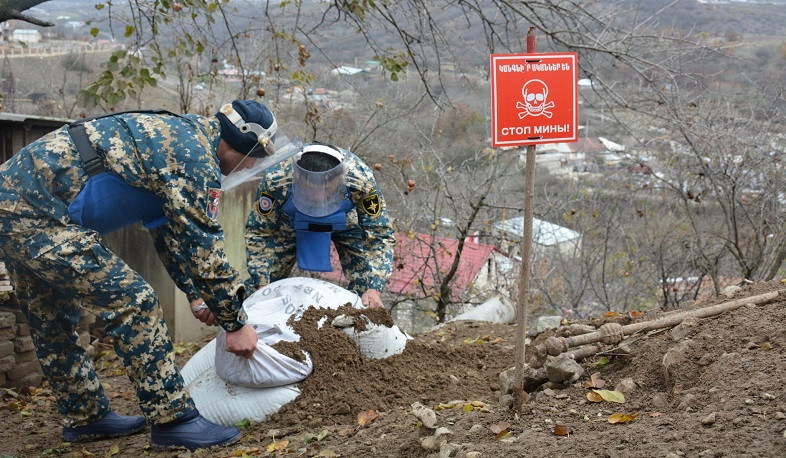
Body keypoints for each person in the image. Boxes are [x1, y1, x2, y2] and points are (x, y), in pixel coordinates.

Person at [0, 100, 288, 450]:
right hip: (36, 214)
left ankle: (86, 416)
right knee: (135, 301)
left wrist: (195, 295)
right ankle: (173, 420)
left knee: (52, 317)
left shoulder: (183, 137)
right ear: (244, 144)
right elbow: (205, 246)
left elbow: (169, 234)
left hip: (14, 204)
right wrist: (236, 322)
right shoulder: (195, 158)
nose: (254, 165)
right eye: (257, 155)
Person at [244, 142, 395, 308]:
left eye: (326, 189)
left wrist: (375, 287)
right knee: (263, 287)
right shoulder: (277, 179)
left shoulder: (360, 180)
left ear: (340, 178)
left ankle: (357, 323)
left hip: (343, 219)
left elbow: (379, 234)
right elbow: (260, 232)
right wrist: (262, 283)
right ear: (298, 177)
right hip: (291, 220)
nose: (317, 197)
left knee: (367, 285)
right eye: (310, 189)